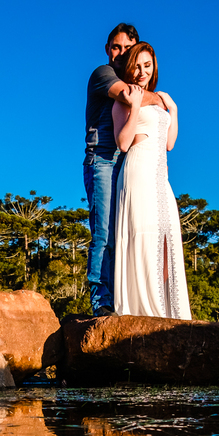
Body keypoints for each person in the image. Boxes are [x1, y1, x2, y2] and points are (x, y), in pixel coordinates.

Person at [110, 42, 193, 319]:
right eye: (137, 65)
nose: (143, 71)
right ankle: (145, 313)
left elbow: (169, 144)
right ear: (130, 67)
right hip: (138, 171)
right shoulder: (125, 95)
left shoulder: (160, 98)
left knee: (167, 241)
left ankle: (169, 312)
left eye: (148, 65)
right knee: (143, 238)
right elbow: (122, 143)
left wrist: (174, 111)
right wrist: (134, 106)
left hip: (161, 177)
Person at [84, 23, 138, 317]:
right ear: (107, 49)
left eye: (127, 49)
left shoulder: (138, 82)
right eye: (116, 47)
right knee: (103, 233)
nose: (120, 53)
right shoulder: (103, 75)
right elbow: (128, 96)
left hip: (128, 166)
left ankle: (122, 300)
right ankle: (101, 302)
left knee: (126, 235)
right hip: (102, 161)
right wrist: (163, 99)